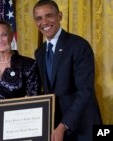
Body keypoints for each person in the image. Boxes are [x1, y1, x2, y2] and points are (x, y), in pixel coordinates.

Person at [33, 1, 101, 141]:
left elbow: (85, 91)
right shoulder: (39, 53)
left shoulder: (78, 45)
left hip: (83, 129)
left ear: (60, 16)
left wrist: (63, 125)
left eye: (49, 16)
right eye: (39, 18)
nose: (44, 22)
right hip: (57, 130)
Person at [0, 20, 40, 102]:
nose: (0, 40)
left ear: (11, 36)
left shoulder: (29, 65)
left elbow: (34, 96)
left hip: (19, 113)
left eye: (4, 35)